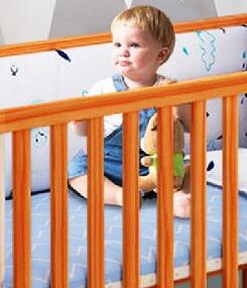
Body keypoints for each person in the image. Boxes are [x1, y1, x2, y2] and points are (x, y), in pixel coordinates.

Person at [67, 5, 192, 218]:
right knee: (76, 170)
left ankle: (175, 197)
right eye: (117, 44)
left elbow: (190, 126)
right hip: (108, 164)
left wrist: (177, 99)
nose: (123, 51)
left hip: (153, 165)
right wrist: (79, 124)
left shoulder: (167, 88)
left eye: (134, 45)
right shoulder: (104, 88)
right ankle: (118, 195)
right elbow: (86, 131)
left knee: (186, 167)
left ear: (161, 55)